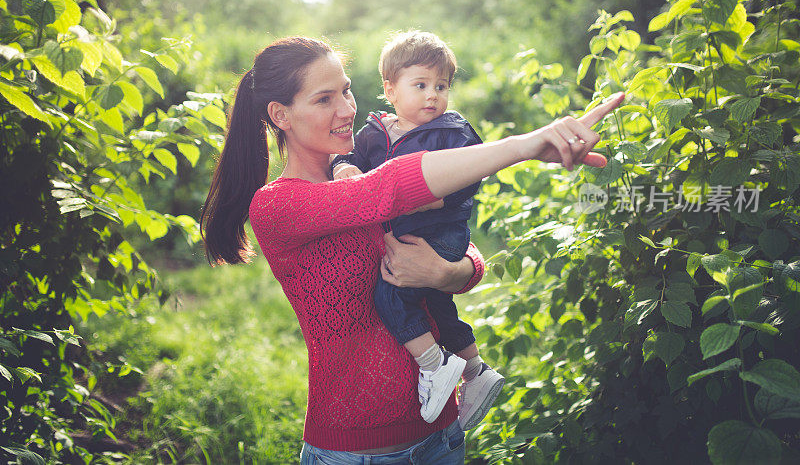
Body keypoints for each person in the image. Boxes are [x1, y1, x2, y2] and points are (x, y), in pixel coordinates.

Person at [200, 36, 624, 464]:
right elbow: (386, 189)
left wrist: (447, 274)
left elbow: (463, 255)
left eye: (346, 90)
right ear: (280, 114)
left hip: (441, 437)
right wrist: (522, 147)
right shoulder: (278, 205)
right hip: (357, 451)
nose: (347, 109)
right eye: (324, 99)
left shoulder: (362, 174)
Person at [330, 31, 503, 431]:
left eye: (441, 86)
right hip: (407, 236)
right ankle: (475, 370)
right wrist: (344, 168)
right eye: (421, 85)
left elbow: (469, 176)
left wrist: (424, 197)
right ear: (390, 90)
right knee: (436, 305)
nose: (432, 96)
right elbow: (349, 158)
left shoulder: (451, 131)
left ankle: (434, 365)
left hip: (441, 233)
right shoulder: (374, 132)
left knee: (390, 292)